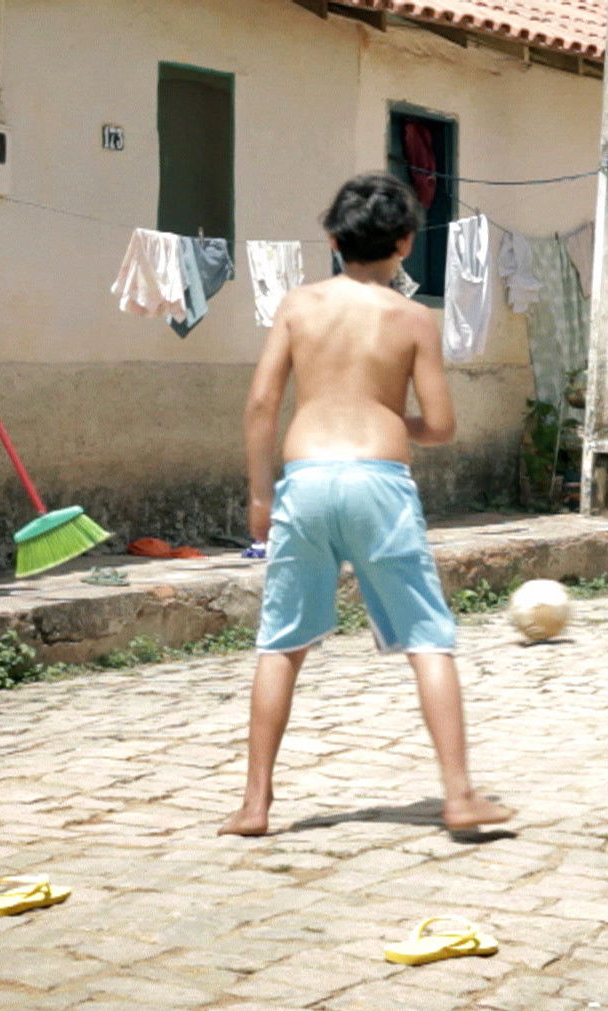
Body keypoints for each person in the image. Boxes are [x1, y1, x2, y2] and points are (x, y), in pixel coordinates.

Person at [220, 173, 513, 837]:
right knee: (427, 638)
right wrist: (386, 417)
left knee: (280, 643)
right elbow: (441, 425)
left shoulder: (298, 305)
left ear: (332, 239)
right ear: (405, 243)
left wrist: (260, 494)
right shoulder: (412, 318)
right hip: (378, 479)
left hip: (305, 478)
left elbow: (262, 403)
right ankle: (460, 795)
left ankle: (255, 805)